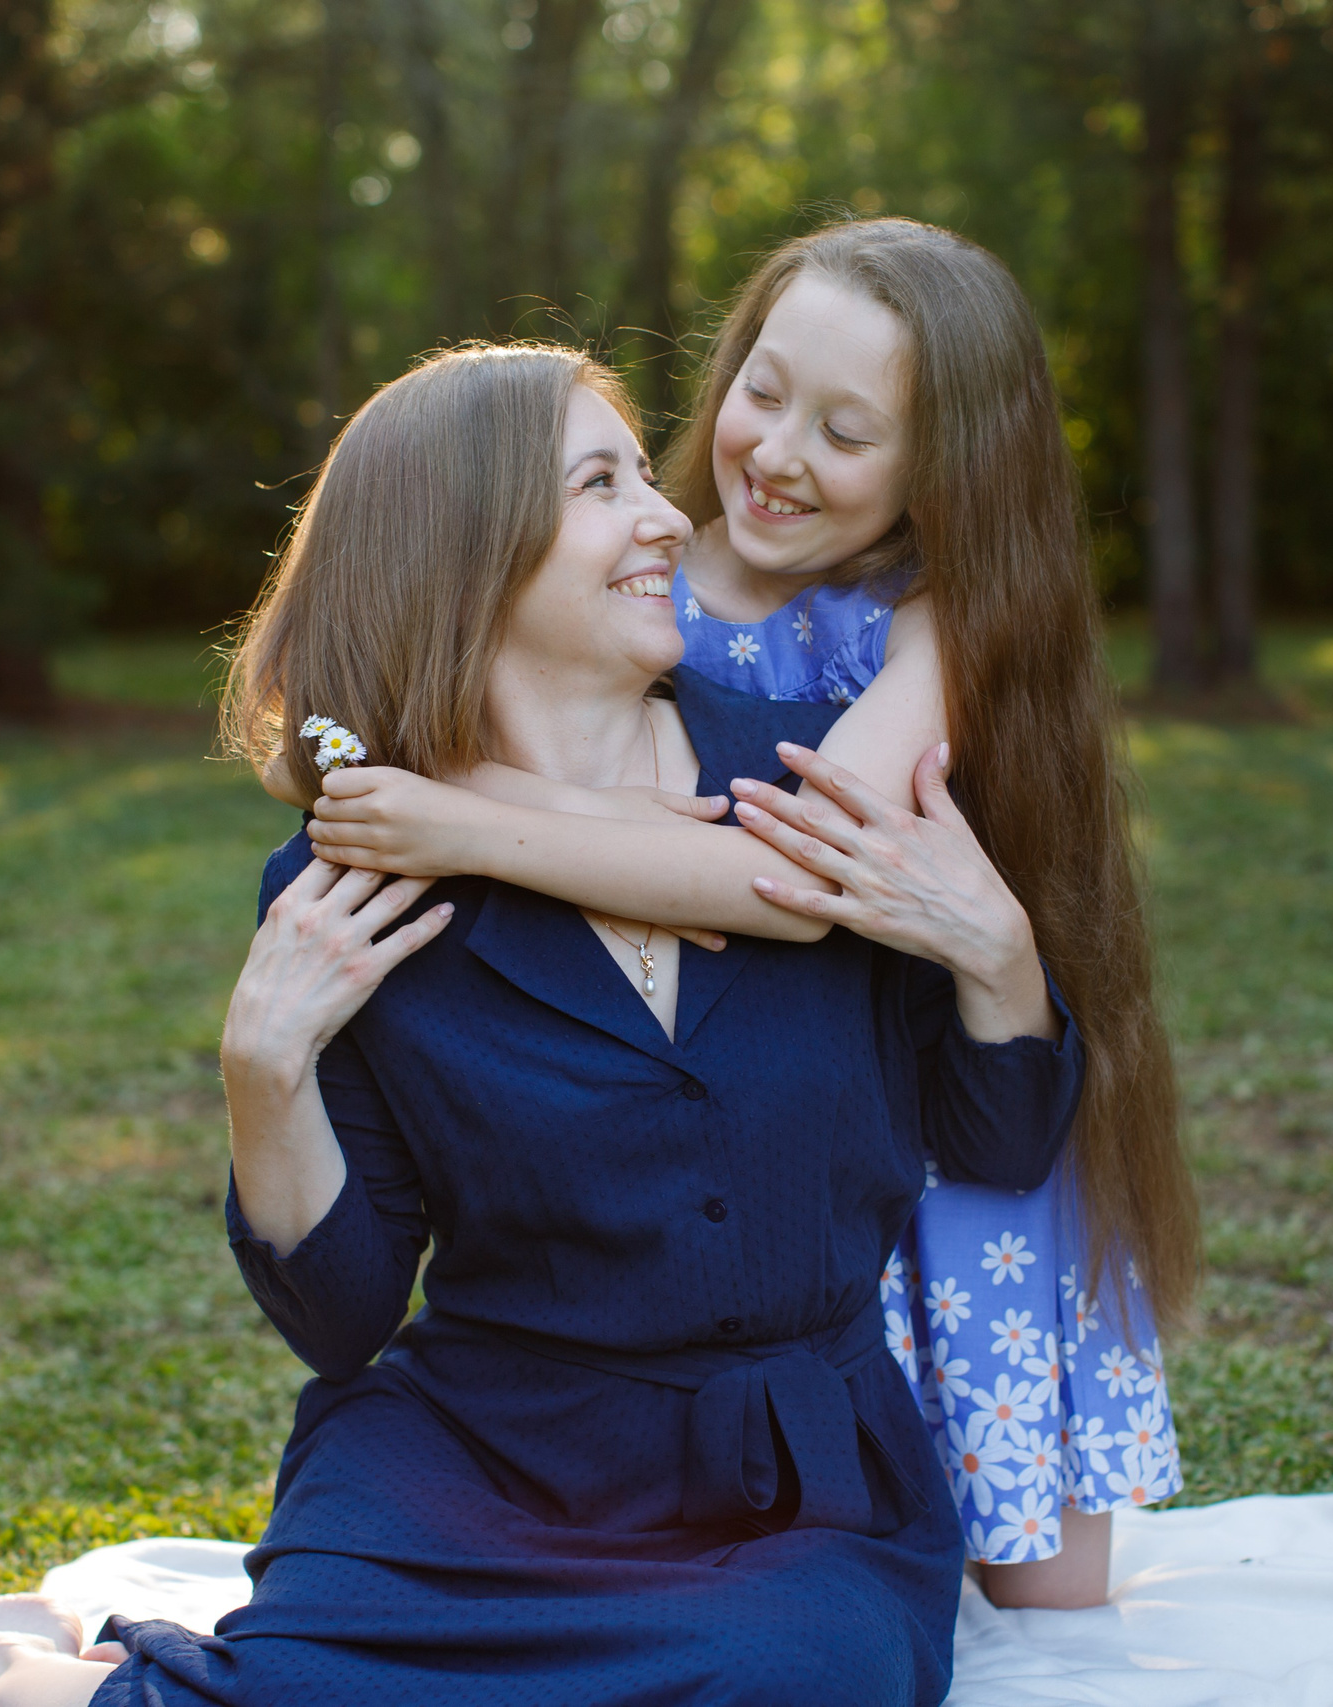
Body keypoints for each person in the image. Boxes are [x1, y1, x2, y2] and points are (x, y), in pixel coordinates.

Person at [0, 341, 1081, 1707]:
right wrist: (263, 1073)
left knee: (797, 1686)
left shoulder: (816, 785)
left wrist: (997, 960)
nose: (670, 516)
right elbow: (343, 1320)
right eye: (602, 483)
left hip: (785, 1491)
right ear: (469, 550)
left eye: (645, 474)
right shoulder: (357, 875)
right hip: (480, 1464)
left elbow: (1000, 1136)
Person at [301, 218, 1197, 1606]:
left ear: (942, 469)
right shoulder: (640, 589)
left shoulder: (932, 618)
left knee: (1046, 1618)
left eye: (848, 433)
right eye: (762, 394)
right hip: (756, 1161)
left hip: (950, 1131)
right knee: (777, 1554)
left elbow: (800, 873)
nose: (776, 455)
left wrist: (473, 826)